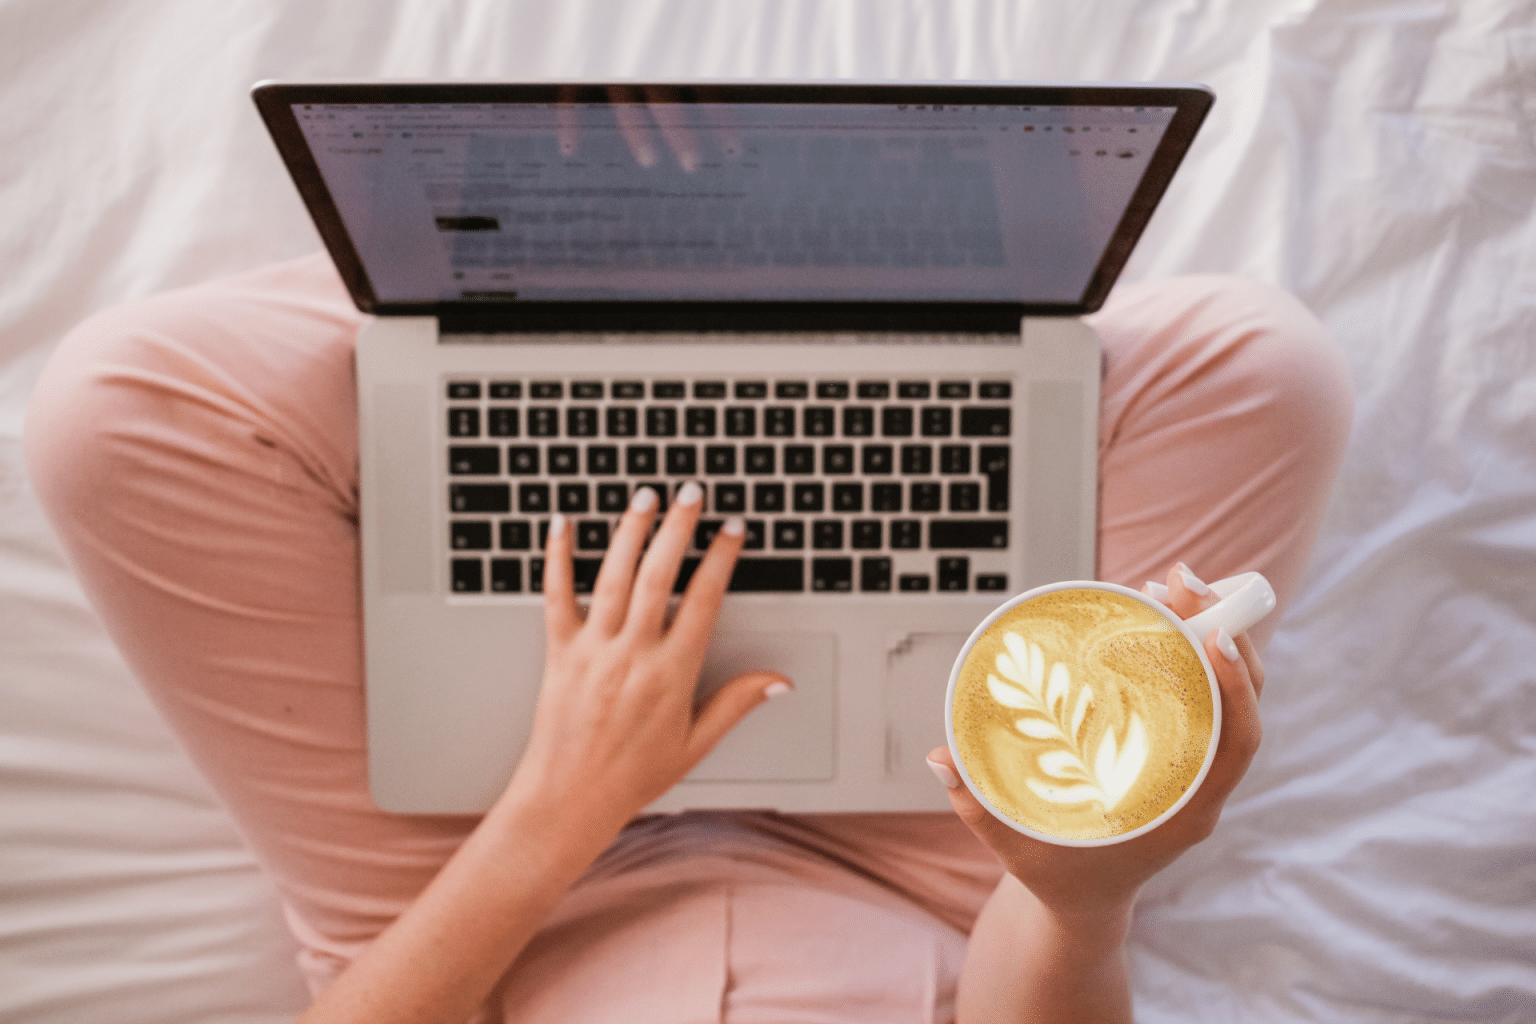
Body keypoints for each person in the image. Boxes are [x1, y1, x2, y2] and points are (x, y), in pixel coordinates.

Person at [23, 252, 1353, 1023]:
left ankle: (545, 270)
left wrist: (564, 802)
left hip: (494, 904)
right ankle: (812, 274)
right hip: (947, 886)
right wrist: (1082, 893)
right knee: (1261, 367)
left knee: (117, 407)